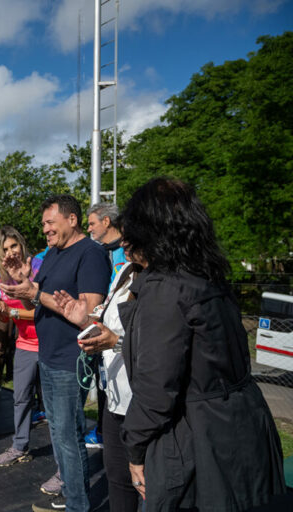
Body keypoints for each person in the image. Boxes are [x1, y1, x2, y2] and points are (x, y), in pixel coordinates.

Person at [117, 178, 284, 511]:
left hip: (197, 442)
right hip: (238, 427)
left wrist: (134, 447)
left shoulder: (167, 288)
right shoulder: (207, 276)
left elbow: (155, 390)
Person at [0, 195, 109, 512]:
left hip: (70, 359)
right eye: (43, 224)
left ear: (72, 219)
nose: (45, 229)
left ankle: (78, 505)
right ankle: (72, 495)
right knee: (60, 433)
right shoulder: (51, 254)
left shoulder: (90, 253)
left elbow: (90, 311)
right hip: (48, 355)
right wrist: (24, 281)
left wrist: (35, 291)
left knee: (68, 436)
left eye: (50, 222)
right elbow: (36, 302)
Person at [53, 260, 141, 511]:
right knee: (119, 481)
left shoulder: (165, 279)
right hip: (114, 398)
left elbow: (158, 346)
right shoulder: (125, 272)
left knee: (148, 487)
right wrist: (85, 321)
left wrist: (117, 342)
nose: (125, 244)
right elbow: (110, 326)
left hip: (143, 403)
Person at [0, 226, 46, 467]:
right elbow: (7, 317)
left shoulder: (39, 267)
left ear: (22, 244)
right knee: (21, 398)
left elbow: (41, 311)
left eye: (14, 245)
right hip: (25, 343)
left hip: (49, 343)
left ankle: (65, 459)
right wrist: (1, 310)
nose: (11, 252)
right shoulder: (2, 278)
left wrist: (12, 311)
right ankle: (19, 446)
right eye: (6, 249)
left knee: (55, 406)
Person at [83, 202, 127, 449]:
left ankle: (120, 436)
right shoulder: (98, 252)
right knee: (103, 379)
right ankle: (103, 430)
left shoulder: (126, 251)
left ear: (106, 221)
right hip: (102, 326)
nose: (89, 229)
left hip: (123, 330)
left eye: (92, 223)